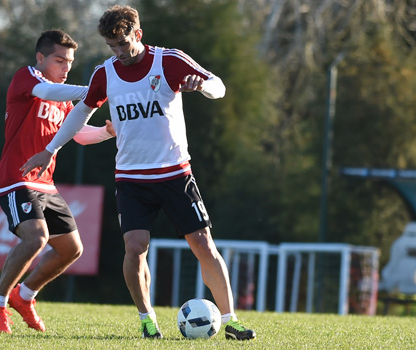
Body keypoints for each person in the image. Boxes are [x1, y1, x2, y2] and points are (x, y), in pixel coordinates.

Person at [21, 6, 256, 341]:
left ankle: (230, 320)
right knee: (135, 248)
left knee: (203, 244)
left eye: (124, 43)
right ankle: (148, 321)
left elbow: (218, 85)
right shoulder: (106, 73)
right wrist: (51, 149)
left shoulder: (169, 60)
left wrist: (201, 87)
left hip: (175, 173)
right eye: (112, 46)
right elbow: (79, 114)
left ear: (138, 34)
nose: (119, 52)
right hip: (131, 179)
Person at [0, 29, 115, 334]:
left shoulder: (62, 95)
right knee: (36, 238)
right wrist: (92, 90)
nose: (66, 67)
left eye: (69, 61)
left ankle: (24, 296)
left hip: (45, 184)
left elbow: (80, 135)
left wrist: (108, 132)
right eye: (59, 60)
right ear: (40, 58)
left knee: (71, 249)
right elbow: (46, 93)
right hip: (15, 179)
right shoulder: (27, 78)